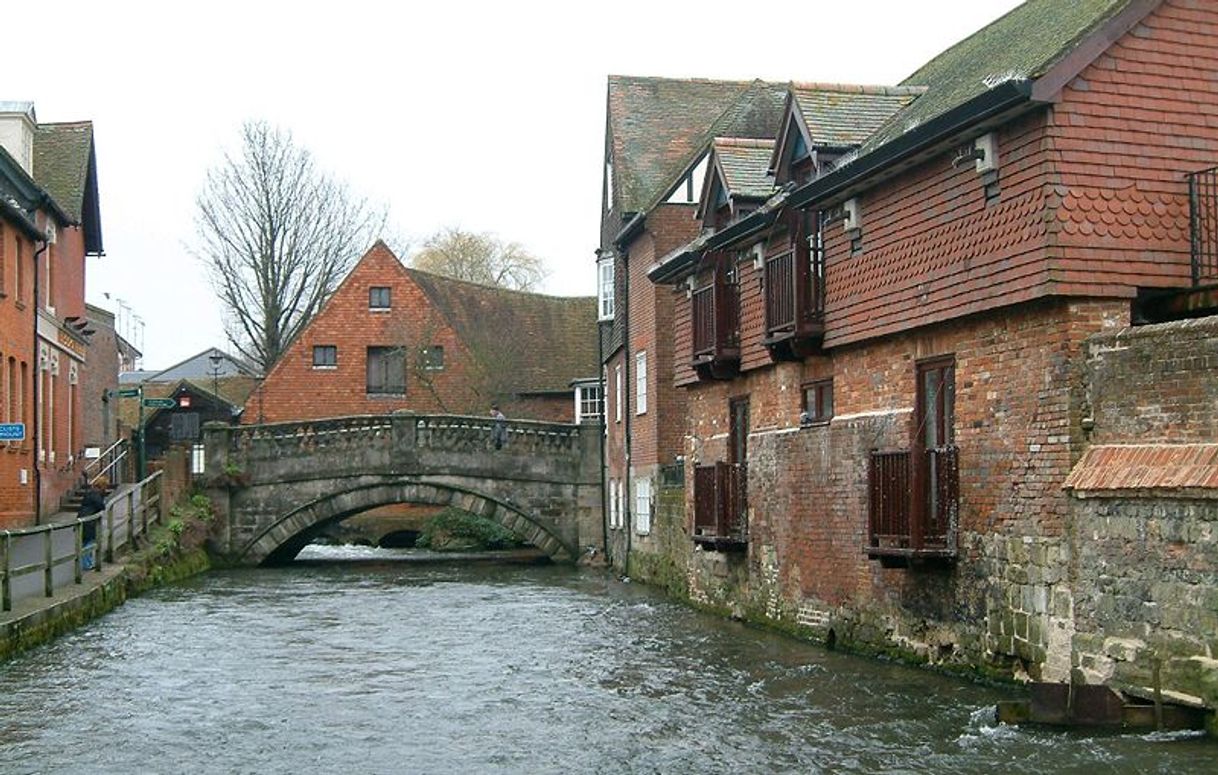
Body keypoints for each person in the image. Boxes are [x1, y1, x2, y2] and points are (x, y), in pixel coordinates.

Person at [77, 482, 106, 570]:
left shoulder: (88, 494)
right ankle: (86, 564)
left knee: (85, 541)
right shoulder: (96, 496)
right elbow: (101, 506)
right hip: (90, 520)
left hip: (82, 517)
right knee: (91, 541)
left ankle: (87, 563)